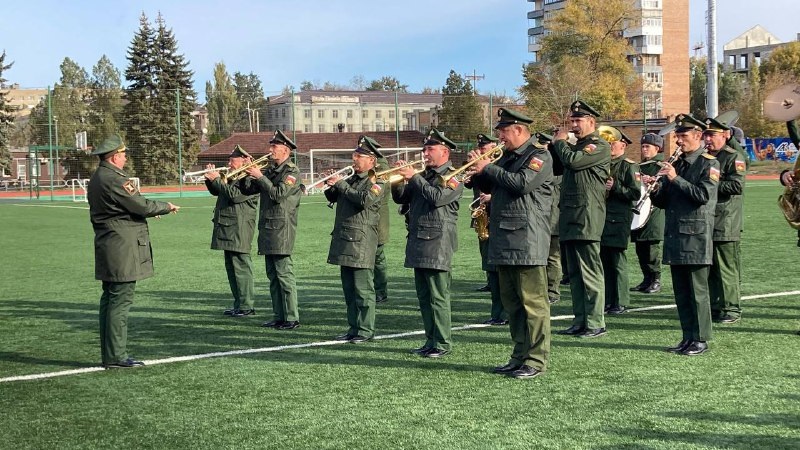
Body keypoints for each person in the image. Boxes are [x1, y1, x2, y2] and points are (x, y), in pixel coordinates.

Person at [469, 108, 553, 379]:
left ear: (519, 130)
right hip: (504, 238)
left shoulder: (539, 156)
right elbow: (491, 187)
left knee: (533, 305)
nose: (500, 137)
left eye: (504, 131)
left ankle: (536, 360)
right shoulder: (505, 157)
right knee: (513, 304)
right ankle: (519, 355)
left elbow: (521, 183)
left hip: (527, 240)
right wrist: (478, 172)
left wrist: (488, 168)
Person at [88, 134, 180, 368]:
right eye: (123, 154)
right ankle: (116, 356)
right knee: (120, 300)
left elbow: (124, 208)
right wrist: (165, 207)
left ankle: (110, 354)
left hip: (109, 243)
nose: (126, 158)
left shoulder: (98, 177)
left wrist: (146, 210)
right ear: (114, 157)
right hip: (122, 247)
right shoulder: (115, 178)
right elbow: (139, 205)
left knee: (110, 299)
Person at [649, 114, 719, 356]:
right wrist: (654, 188)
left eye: (683, 136)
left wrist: (674, 178)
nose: (678, 141)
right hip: (676, 235)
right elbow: (665, 202)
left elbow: (702, 196)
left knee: (697, 292)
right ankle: (687, 336)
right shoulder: (677, 164)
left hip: (695, 236)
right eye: (677, 136)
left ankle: (700, 339)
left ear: (698, 136)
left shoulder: (709, 163)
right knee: (681, 292)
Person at [392, 128, 463, 358]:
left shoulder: (453, 176)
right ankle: (430, 339)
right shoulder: (424, 175)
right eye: (424, 149)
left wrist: (414, 177)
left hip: (438, 243)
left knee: (437, 296)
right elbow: (401, 198)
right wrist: (397, 179)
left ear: (445, 152)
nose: (425, 153)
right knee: (424, 297)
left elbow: (437, 198)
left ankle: (442, 342)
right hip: (419, 240)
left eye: (430, 149)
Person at [552, 100, 611, 338]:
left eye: (578, 121)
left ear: (591, 122)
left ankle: (595, 322)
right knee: (575, 274)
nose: (574, 125)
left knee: (589, 272)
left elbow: (573, 162)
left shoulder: (598, 145)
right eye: (572, 121)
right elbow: (557, 167)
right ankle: (580, 320)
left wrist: (560, 142)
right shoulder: (576, 146)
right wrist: (553, 146)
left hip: (587, 216)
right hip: (569, 215)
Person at [326, 136, 385, 343]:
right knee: (349, 290)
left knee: (363, 290)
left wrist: (341, 185)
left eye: (359, 156)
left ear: (372, 160)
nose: (354, 159)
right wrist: (332, 185)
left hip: (361, 241)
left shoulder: (377, 180)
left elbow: (363, 200)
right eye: (354, 155)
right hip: (345, 239)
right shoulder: (351, 179)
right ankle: (353, 327)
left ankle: (365, 329)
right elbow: (333, 198)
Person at [244, 130, 304, 329]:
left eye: (274, 147)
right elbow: (249, 190)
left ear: (285, 150)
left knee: (284, 275)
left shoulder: (291, 172)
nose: (270, 150)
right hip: (269, 227)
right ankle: (279, 315)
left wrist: (260, 176)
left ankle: (291, 317)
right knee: (273, 276)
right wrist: (248, 173)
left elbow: (278, 194)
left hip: (281, 228)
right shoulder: (271, 170)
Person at [204, 145, 258, 318]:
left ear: (243, 160)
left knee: (241, 266)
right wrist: (210, 180)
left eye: (232, 160)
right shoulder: (235, 176)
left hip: (240, 227)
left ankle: (246, 305)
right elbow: (218, 192)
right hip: (229, 226)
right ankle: (239, 304)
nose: (229, 163)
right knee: (232, 267)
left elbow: (235, 195)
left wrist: (217, 181)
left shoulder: (250, 178)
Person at [703, 117, 745, 324]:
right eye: (706, 135)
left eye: (712, 135)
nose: (707, 139)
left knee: (726, 268)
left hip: (726, 220)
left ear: (725, 136)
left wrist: (709, 184)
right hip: (707, 220)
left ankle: (731, 308)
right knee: (710, 268)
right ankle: (716, 305)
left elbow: (736, 186)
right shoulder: (706, 157)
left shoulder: (732, 156)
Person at [464, 133, 507, 325]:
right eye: (480, 147)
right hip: (483, 215)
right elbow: (468, 183)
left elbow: (510, 187)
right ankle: (497, 311)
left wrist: (492, 197)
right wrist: (472, 168)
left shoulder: (500, 163)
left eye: (484, 147)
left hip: (499, 217)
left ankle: (504, 313)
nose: (481, 150)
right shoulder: (481, 164)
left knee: (501, 270)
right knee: (489, 262)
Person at [600, 127, 641, 315]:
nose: (609, 147)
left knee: (617, 262)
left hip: (618, 219)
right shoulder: (603, 164)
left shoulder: (628, 166)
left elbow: (635, 193)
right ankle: (608, 300)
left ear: (623, 146)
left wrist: (615, 186)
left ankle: (621, 301)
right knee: (604, 262)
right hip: (602, 218)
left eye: (612, 144)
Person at [630, 133, 666, 294]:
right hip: (639, 212)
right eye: (643, 146)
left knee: (651, 249)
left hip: (653, 212)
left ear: (657, 148)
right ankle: (646, 279)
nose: (644, 149)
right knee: (640, 248)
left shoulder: (661, 166)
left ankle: (655, 279)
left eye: (647, 146)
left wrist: (653, 182)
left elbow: (665, 186)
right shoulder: (639, 166)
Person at [539, 132, 563, 305]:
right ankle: (542, 289)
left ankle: (553, 290)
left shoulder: (558, 170)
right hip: (539, 219)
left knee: (552, 257)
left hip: (553, 219)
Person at [372, 137, 391, 304]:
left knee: (377, 257)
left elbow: (380, 192)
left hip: (378, 217)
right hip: (366, 217)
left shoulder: (382, 166)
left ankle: (381, 291)